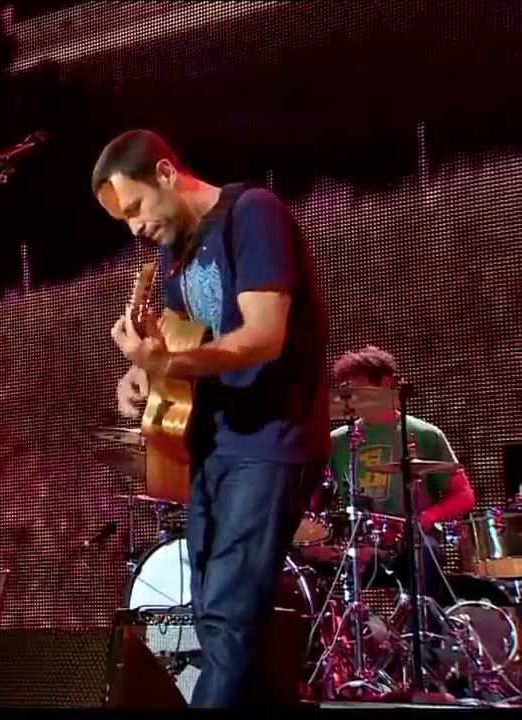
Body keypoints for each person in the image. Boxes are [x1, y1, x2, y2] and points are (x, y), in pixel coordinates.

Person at [96, 129, 330, 707]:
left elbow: (263, 335)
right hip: (215, 445)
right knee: (216, 617)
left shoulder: (252, 215)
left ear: (168, 175)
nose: (134, 227)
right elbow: (180, 348)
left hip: (271, 440)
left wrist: (166, 359)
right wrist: (144, 376)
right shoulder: (173, 251)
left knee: (227, 613)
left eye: (136, 208)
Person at [327, 345, 474, 603]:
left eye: (357, 389)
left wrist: (425, 519)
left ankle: (422, 635)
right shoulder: (336, 442)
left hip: (411, 540)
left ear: (385, 384)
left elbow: (464, 495)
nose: (349, 397)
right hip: (357, 540)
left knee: (425, 555)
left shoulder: (424, 434)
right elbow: (315, 499)